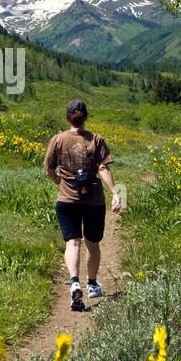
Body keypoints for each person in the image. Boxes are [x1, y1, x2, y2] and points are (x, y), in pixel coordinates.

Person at [43, 98, 121, 311]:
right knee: (92, 244)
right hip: (93, 200)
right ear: (85, 117)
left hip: (67, 199)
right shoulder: (96, 139)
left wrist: (59, 181)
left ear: (67, 118)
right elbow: (103, 168)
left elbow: (49, 170)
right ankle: (92, 285)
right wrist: (115, 193)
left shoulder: (57, 140)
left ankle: (74, 283)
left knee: (73, 243)